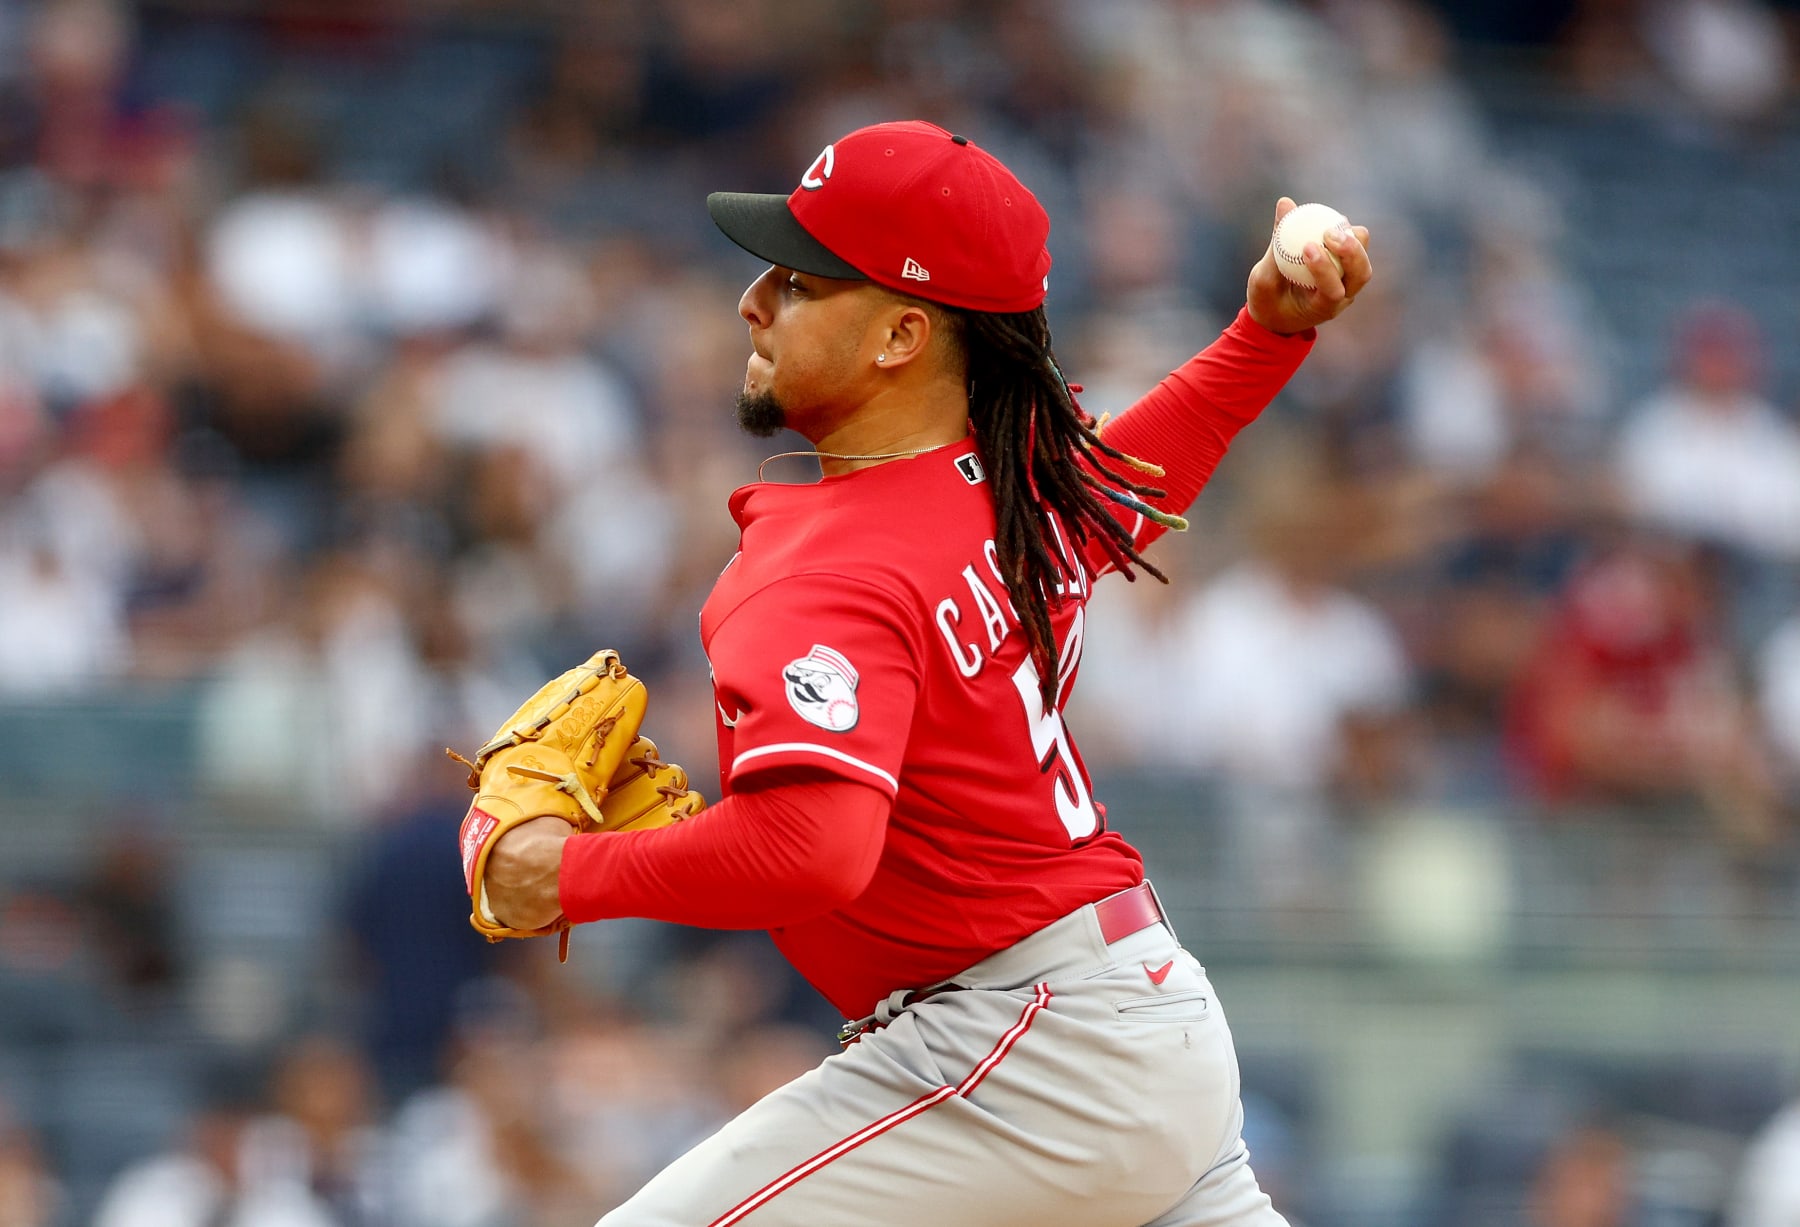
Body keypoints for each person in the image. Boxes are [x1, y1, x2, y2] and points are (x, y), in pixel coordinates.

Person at [481, 119, 1370, 1226]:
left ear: (902, 334)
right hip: (1139, 1023)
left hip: (1031, 1051)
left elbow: (816, 848)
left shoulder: (820, 568)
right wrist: (1266, 334)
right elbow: (1133, 476)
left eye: (800, 284)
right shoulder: (1009, 477)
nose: (753, 303)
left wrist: (563, 874)